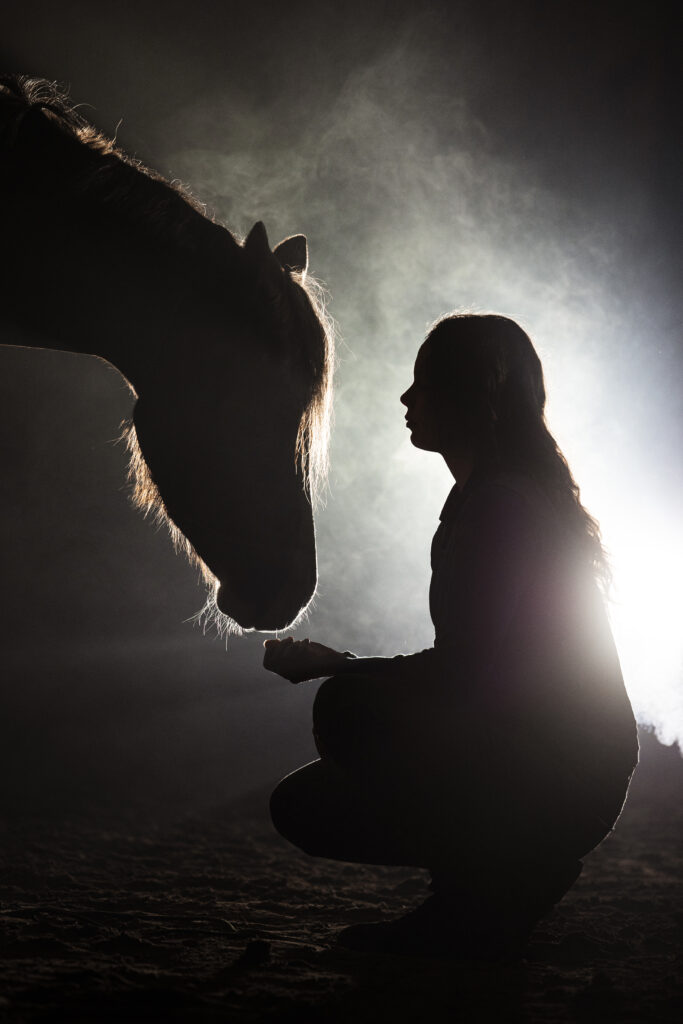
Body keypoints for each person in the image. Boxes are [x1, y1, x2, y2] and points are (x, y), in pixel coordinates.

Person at [263, 313, 638, 957]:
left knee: (347, 718)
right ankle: (490, 885)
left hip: (560, 770)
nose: (407, 400)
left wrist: (344, 670)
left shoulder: (500, 507)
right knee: (308, 795)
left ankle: (490, 888)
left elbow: (469, 674)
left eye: (425, 384)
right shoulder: (496, 498)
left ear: (479, 395)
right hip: (564, 763)